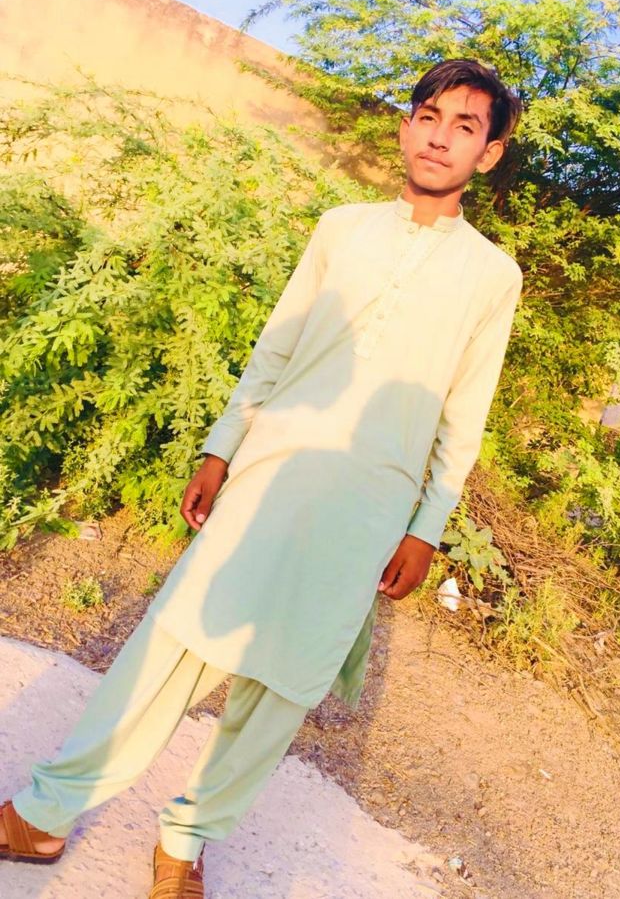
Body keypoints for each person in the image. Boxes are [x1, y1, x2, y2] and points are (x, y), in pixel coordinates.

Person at [0, 59, 523, 898]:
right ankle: (46, 812)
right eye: (428, 116)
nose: (439, 137)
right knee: (172, 643)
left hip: (368, 506)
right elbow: (276, 346)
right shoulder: (342, 229)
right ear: (405, 128)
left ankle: (185, 844)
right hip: (270, 470)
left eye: (465, 126)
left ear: (488, 154)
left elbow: (465, 415)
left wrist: (426, 527)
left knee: (281, 683)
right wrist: (221, 449)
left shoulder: (493, 278)